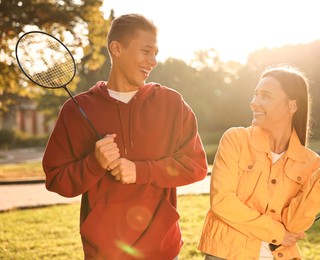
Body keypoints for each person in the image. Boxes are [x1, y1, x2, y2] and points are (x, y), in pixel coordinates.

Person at [42, 14, 208, 259]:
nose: (153, 61)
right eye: (146, 51)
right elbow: (57, 180)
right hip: (105, 252)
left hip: (162, 249)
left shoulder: (171, 103)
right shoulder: (77, 110)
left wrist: (141, 171)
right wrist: (94, 163)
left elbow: (195, 166)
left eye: (156, 53)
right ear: (117, 48)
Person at [198, 65, 320, 260]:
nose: (254, 103)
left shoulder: (311, 162)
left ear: (291, 106)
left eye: (265, 96)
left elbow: (294, 225)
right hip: (227, 254)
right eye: (255, 94)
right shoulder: (236, 139)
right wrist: (276, 233)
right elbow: (222, 202)